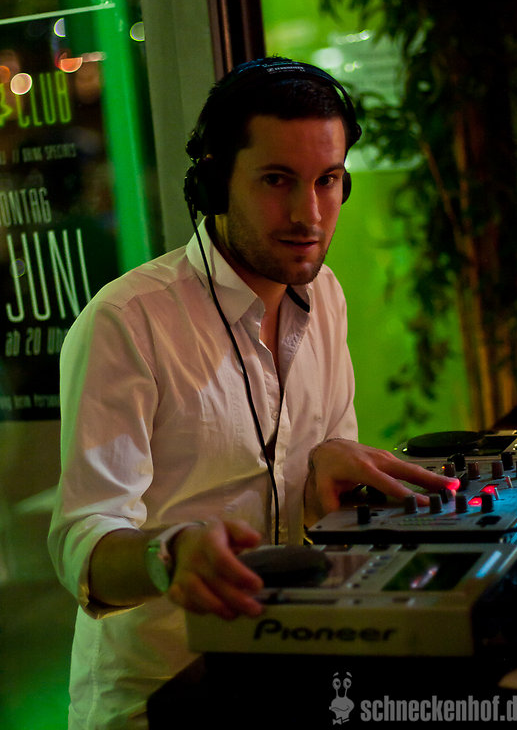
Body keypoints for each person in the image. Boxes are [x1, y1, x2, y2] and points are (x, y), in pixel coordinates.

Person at [48, 57, 458, 729]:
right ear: (215, 183)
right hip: (159, 704)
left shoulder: (325, 295)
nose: (308, 214)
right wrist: (169, 556)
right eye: (276, 180)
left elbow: (322, 501)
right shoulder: (126, 322)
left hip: (292, 675)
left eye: (327, 181)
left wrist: (328, 462)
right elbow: (82, 545)